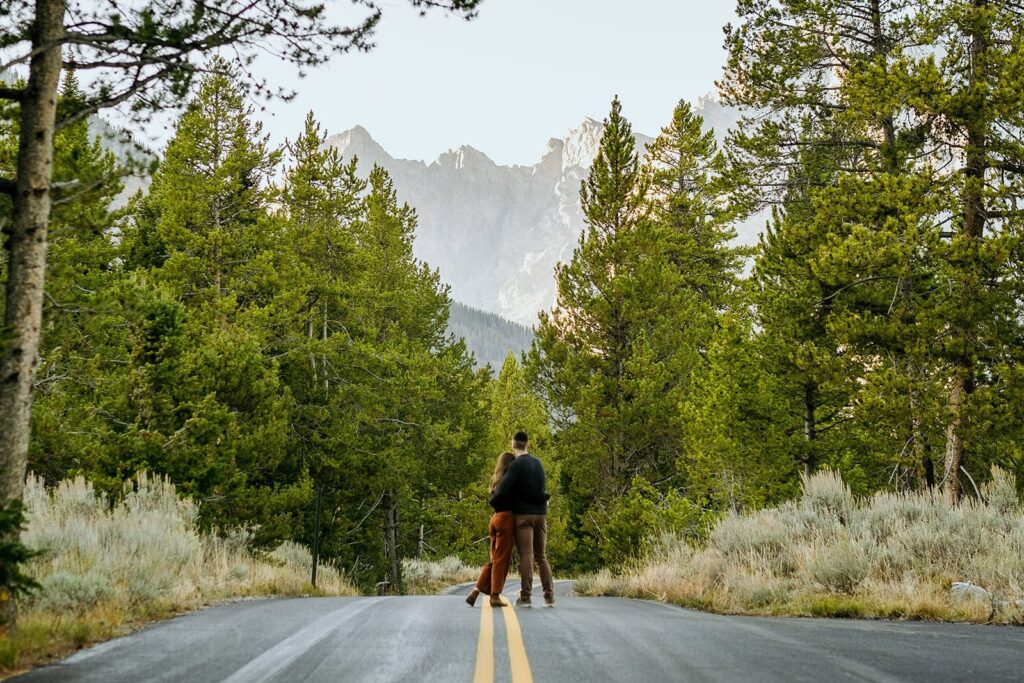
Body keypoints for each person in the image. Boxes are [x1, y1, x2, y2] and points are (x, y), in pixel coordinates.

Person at [490, 430, 554, 608]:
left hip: (523, 516)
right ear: (528, 444)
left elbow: (502, 490)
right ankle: (549, 595)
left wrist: (493, 502)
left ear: (512, 444)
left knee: (526, 554)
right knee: (541, 556)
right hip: (541, 514)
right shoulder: (538, 464)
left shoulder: (516, 466)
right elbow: (541, 490)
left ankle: (526, 597)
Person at [466, 452, 517, 608]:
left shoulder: (496, 479)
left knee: (494, 559)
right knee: (502, 559)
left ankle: (475, 591)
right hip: (506, 520)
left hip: (495, 519)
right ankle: (494, 596)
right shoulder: (510, 481)